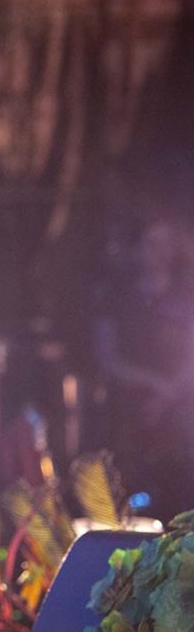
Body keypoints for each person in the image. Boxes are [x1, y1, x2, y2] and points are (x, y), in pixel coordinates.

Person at [92, 217, 194, 520]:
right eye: (152, 243)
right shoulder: (118, 297)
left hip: (178, 407)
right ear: (138, 249)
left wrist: (168, 395)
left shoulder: (186, 295)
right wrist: (152, 386)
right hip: (128, 406)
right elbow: (108, 358)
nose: (159, 252)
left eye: (166, 244)